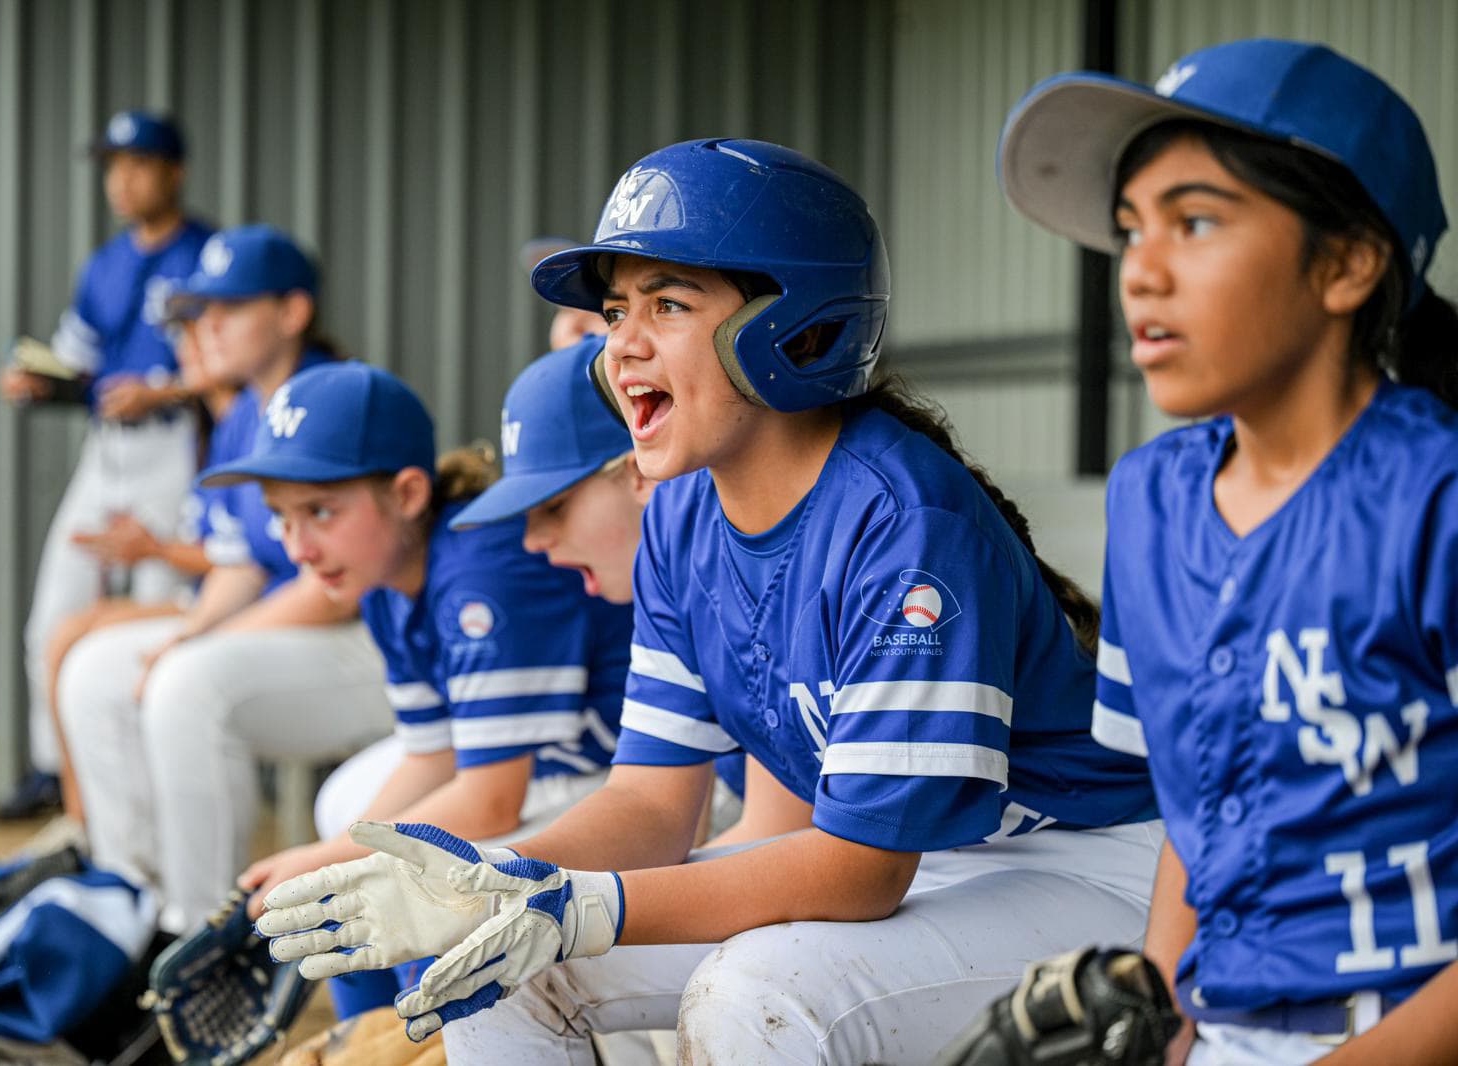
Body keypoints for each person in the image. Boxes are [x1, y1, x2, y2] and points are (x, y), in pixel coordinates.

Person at [258, 139, 1163, 1062]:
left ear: (798, 329)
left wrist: (587, 906)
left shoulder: (906, 523)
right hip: (931, 863)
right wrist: (502, 881)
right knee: (501, 962)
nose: (623, 344)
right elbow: (652, 805)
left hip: (1088, 861)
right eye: (616, 312)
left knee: (758, 994)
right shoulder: (683, 514)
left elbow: (861, 870)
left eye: (669, 304)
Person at [998, 38, 1458, 1066]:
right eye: (1129, 231)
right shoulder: (1151, 499)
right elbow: (1188, 819)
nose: (1140, 274)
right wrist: (1157, 1025)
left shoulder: (1436, 497)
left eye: (1196, 221)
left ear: (1345, 263)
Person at [193, 358, 631, 1018]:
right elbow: (433, 758)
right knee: (353, 848)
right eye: (282, 518)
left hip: (635, 782)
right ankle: (367, 1035)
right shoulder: (383, 586)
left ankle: (411, 1034)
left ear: (407, 494)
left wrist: (327, 858)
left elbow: (489, 800)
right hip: (558, 771)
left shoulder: (484, 571)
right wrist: (329, 861)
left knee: (428, 891)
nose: (299, 548)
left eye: (320, 511)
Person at [57, 225, 388, 932]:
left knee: (190, 683)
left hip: (371, 642)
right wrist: (190, 633)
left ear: (292, 313)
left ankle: (206, 929)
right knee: (94, 671)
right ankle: (133, 901)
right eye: (202, 312)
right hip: (289, 630)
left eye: (229, 309)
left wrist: (196, 646)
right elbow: (237, 567)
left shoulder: (328, 400)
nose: (207, 328)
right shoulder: (245, 417)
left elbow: (336, 589)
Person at [449, 337, 812, 847]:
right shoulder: (675, 574)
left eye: (554, 507)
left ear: (640, 470)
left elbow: (783, 840)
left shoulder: (763, 560)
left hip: (939, 858)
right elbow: (665, 813)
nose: (531, 540)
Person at [0, 110, 214, 821]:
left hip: (176, 446)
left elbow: (232, 365)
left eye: (137, 164)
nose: (121, 180)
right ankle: (57, 774)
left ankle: (150, 782)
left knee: (153, 614)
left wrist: (166, 388)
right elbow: (78, 361)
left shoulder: (210, 255)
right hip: (107, 451)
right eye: (113, 166)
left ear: (173, 170)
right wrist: (38, 381)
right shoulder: (106, 262)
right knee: (53, 614)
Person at [42, 312, 241, 825]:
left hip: (246, 609)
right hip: (215, 600)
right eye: (185, 338)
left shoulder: (251, 418)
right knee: (65, 635)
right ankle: (80, 826)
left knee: (90, 659)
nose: (189, 348)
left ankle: (113, 837)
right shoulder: (216, 424)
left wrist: (155, 550)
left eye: (206, 332)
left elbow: (259, 560)